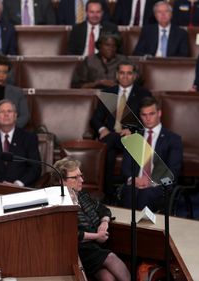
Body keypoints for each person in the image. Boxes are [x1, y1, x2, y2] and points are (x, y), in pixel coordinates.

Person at [54, 157, 130, 281]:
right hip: (78, 250)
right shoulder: (59, 203)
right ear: (62, 181)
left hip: (95, 246)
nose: (82, 180)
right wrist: (97, 236)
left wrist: (104, 223)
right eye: (75, 177)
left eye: (81, 176)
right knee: (111, 258)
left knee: (108, 277)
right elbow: (71, 234)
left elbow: (104, 210)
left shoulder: (82, 195)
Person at [90, 60, 152, 200]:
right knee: (109, 152)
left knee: (107, 145)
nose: (125, 76)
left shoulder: (143, 94)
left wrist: (132, 130)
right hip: (112, 136)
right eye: (122, 73)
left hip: (132, 137)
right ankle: (110, 194)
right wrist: (102, 129)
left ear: (134, 76)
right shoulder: (109, 93)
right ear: (117, 75)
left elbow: (148, 120)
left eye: (129, 73)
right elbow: (95, 119)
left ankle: (111, 194)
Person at [121, 96, 183, 211]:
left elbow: (174, 171)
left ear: (159, 113)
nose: (148, 118)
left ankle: (143, 228)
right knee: (129, 193)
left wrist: (151, 182)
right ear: (140, 116)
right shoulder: (134, 138)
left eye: (151, 114)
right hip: (135, 183)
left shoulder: (173, 139)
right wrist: (133, 179)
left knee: (146, 195)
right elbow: (125, 167)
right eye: (144, 115)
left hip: (158, 186)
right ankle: (129, 228)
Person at [0, 99, 41, 186]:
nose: (6, 114)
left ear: (15, 115)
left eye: (9, 111)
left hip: (21, 191)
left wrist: (18, 184)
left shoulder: (29, 138)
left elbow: (35, 168)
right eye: (2, 111)